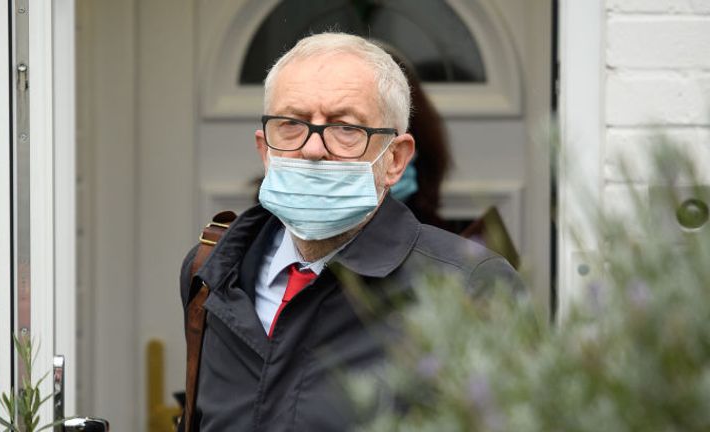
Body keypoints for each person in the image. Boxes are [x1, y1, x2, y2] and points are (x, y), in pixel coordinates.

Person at [179, 32, 523, 431]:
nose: (312, 148)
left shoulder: (468, 286)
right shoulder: (212, 270)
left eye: (345, 128)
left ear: (395, 159)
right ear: (264, 149)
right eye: (291, 123)